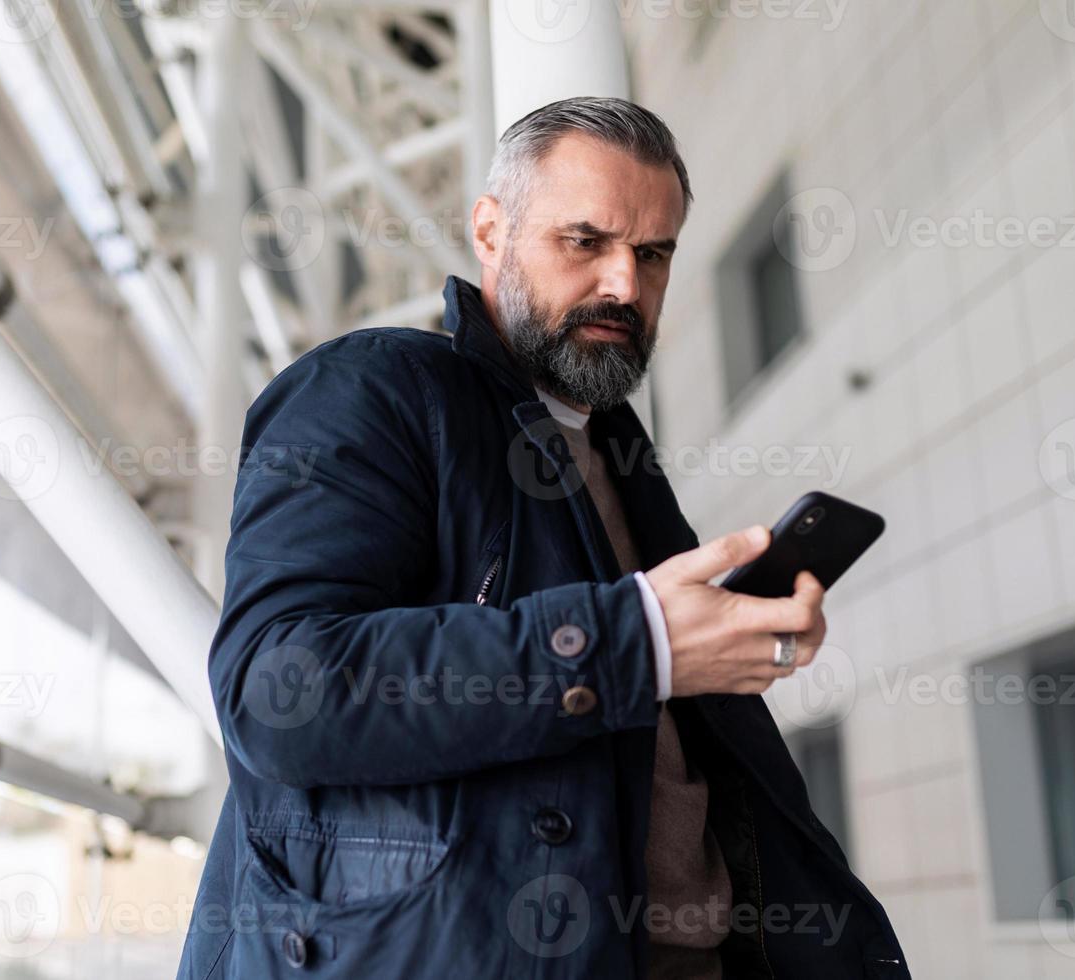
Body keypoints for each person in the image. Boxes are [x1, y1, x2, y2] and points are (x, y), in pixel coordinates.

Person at [175, 96, 910, 979]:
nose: (624, 286)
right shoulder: (371, 391)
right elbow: (275, 689)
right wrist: (636, 643)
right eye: (584, 242)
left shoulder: (618, 457)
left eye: (652, 254)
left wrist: (723, 642)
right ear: (490, 230)